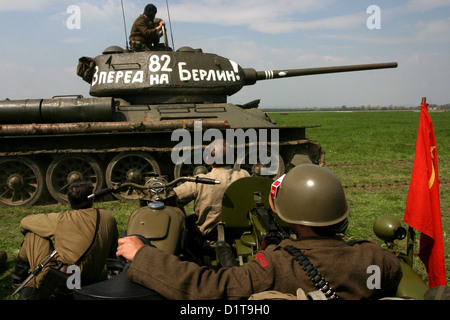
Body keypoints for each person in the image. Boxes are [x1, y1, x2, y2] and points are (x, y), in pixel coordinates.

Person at [116, 164, 403, 300]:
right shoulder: (376, 259)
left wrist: (143, 256)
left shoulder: (274, 266)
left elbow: (207, 287)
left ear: (289, 217)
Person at [11, 181, 118, 300]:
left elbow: (25, 222)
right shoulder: (108, 217)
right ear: (92, 200)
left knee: (32, 235)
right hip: (91, 282)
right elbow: (113, 253)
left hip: (63, 282)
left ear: (70, 201)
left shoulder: (63, 219)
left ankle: (22, 281)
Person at [173, 139, 250, 239]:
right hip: (239, 232)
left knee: (189, 221)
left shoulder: (199, 181)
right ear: (232, 157)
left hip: (208, 235)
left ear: (208, 159)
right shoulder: (244, 174)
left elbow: (173, 196)